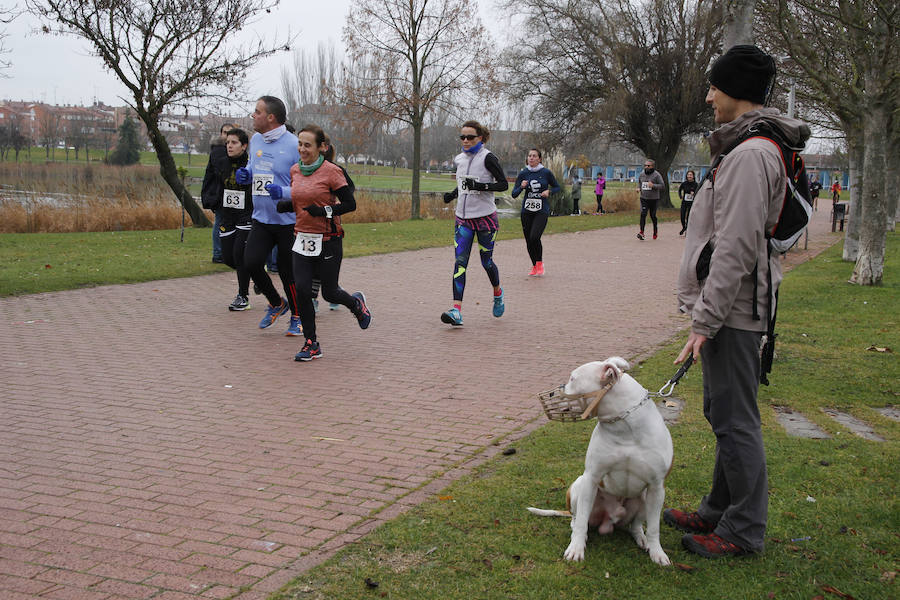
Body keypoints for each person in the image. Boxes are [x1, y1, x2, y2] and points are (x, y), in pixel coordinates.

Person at [669, 44, 810, 559]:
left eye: (713, 87)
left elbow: (736, 246)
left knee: (734, 420)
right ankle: (717, 509)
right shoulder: (749, 147)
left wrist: (704, 321)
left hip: (733, 310)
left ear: (735, 91)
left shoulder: (752, 154)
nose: (708, 97)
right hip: (730, 308)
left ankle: (743, 529)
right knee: (722, 410)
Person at [274, 124, 371, 361]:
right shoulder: (295, 170)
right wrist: (287, 205)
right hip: (302, 238)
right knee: (303, 291)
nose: (302, 149)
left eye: (308, 145)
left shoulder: (332, 172)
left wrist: (324, 211)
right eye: (300, 144)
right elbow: (302, 199)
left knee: (329, 293)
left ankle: (356, 304)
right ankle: (311, 343)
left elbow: (350, 205)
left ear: (322, 148)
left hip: (329, 239)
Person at [235, 96, 302, 336]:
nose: (253, 115)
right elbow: (255, 168)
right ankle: (276, 303)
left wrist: (283, 192)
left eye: (257, 111)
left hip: (287, 221)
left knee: (287, 273)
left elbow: (305, 186)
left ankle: (297, 315)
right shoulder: (255, 140)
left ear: (270, 117)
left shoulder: (294, 145)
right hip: (261, 218)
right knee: (250, 262)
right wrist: (247, 175)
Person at [440, 120, 509, 326]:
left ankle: (497, 293)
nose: (466, 140)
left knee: (486, 262)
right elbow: (463, 185)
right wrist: (452, 195)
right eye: (462, 137)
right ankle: (456, 310)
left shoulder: (488, 158)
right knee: (460, 263)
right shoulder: (460, 159)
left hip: (486, 218)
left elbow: (503, 184)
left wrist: (480, 185)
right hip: (463, 220)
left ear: (481, 138)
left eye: (470, 137)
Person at [214, 128, 254, 311]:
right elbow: (216, 185)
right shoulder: (221, 162)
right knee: (229, 257)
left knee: (239, 254)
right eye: (228, 142)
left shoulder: (250, 163)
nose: (229, 146)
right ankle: (256, 273)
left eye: (234, 143)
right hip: (227, 214)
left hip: (246, 214)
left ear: (244, 146)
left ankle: (242, 295)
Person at [511, 148, 560, 276]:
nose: (531, 158)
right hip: (526, 211)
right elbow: (514, 194)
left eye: (534, 156)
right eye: (529, 156)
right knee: (528, 240)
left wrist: (549, 192)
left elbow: (557, 186)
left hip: (541, 210)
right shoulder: (523, 173)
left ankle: (540, 263)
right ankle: (534, 265)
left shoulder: (546, 172)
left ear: (539, 159)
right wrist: (521, 187)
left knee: (534, 237)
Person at [201, 123, 236, 263]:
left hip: (229, 193)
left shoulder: (226, 150)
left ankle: (224, 252)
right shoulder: (218, 151)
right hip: (219, 194)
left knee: (226, 222)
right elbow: (220, 172)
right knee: (219, 222)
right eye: (225, 133)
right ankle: (218, 253)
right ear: (221, 134)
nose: (227, 136)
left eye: (230, 133)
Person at [637, 158, 664, 240]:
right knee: (643, 214)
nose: (646, 167)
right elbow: (639, 183)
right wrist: (638, 188)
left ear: (652, 166)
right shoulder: (642, 174)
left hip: (654, 199)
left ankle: (655, 231)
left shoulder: (657, 175)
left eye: (648, 166)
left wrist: (653, 186)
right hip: (644, 198)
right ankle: (641, 232)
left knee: (653, 216)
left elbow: (662, 186)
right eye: (645, 165)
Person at [678, 170, 698, 236]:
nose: (689, 176)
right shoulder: (684, 183)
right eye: (688, 175)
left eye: (691, 175)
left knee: (688, 217)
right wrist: (680, 196)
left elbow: (699, 193)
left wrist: (694, 193)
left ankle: (687, 230)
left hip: (691, 203)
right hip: (684, 202)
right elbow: (679, 190)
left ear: (693, 176)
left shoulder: (696, 184)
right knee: (682, 216)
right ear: (686, 176)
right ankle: (684, 227)